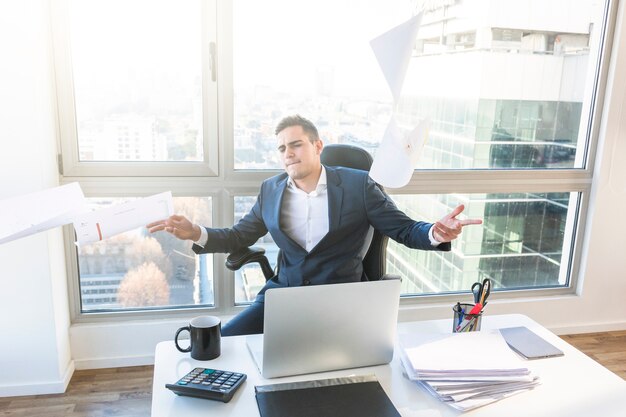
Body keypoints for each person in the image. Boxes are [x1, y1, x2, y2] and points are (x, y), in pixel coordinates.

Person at [147, 114, 482, 335]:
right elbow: (238, 236)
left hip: (341, 302)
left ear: (317, 146)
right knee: (218, 343)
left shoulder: (359, 185)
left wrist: (437, 232)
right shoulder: (270, 191)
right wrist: (195, 232)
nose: (288, 153)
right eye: (282, 148)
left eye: (296, 144)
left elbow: (405, 229)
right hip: (284, 296)